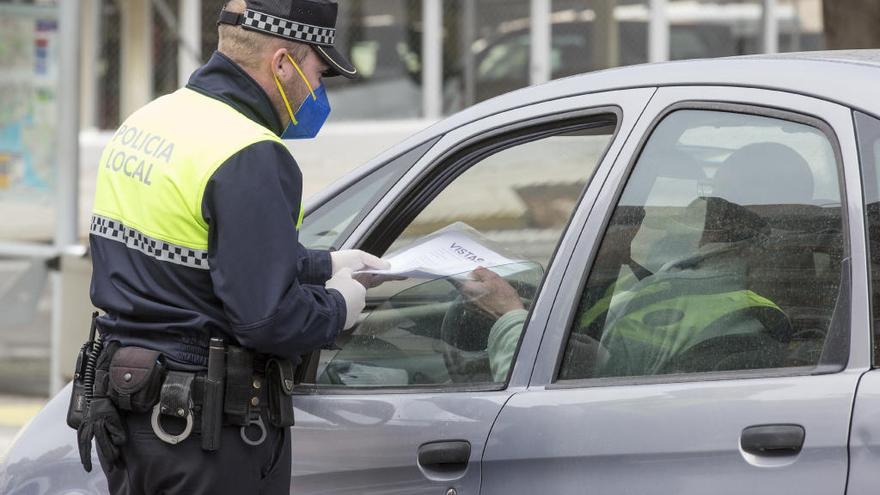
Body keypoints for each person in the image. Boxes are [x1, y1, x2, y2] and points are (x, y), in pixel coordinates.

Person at [76, 1, 387, 494]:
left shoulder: (150, 122)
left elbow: (192, 258)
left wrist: (321, 264)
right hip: (208, 435)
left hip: (128, 417)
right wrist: (337, 307)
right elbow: (267, 319)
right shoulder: (250, 152)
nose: (320, 89)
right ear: (283, 63)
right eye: (319, 71)